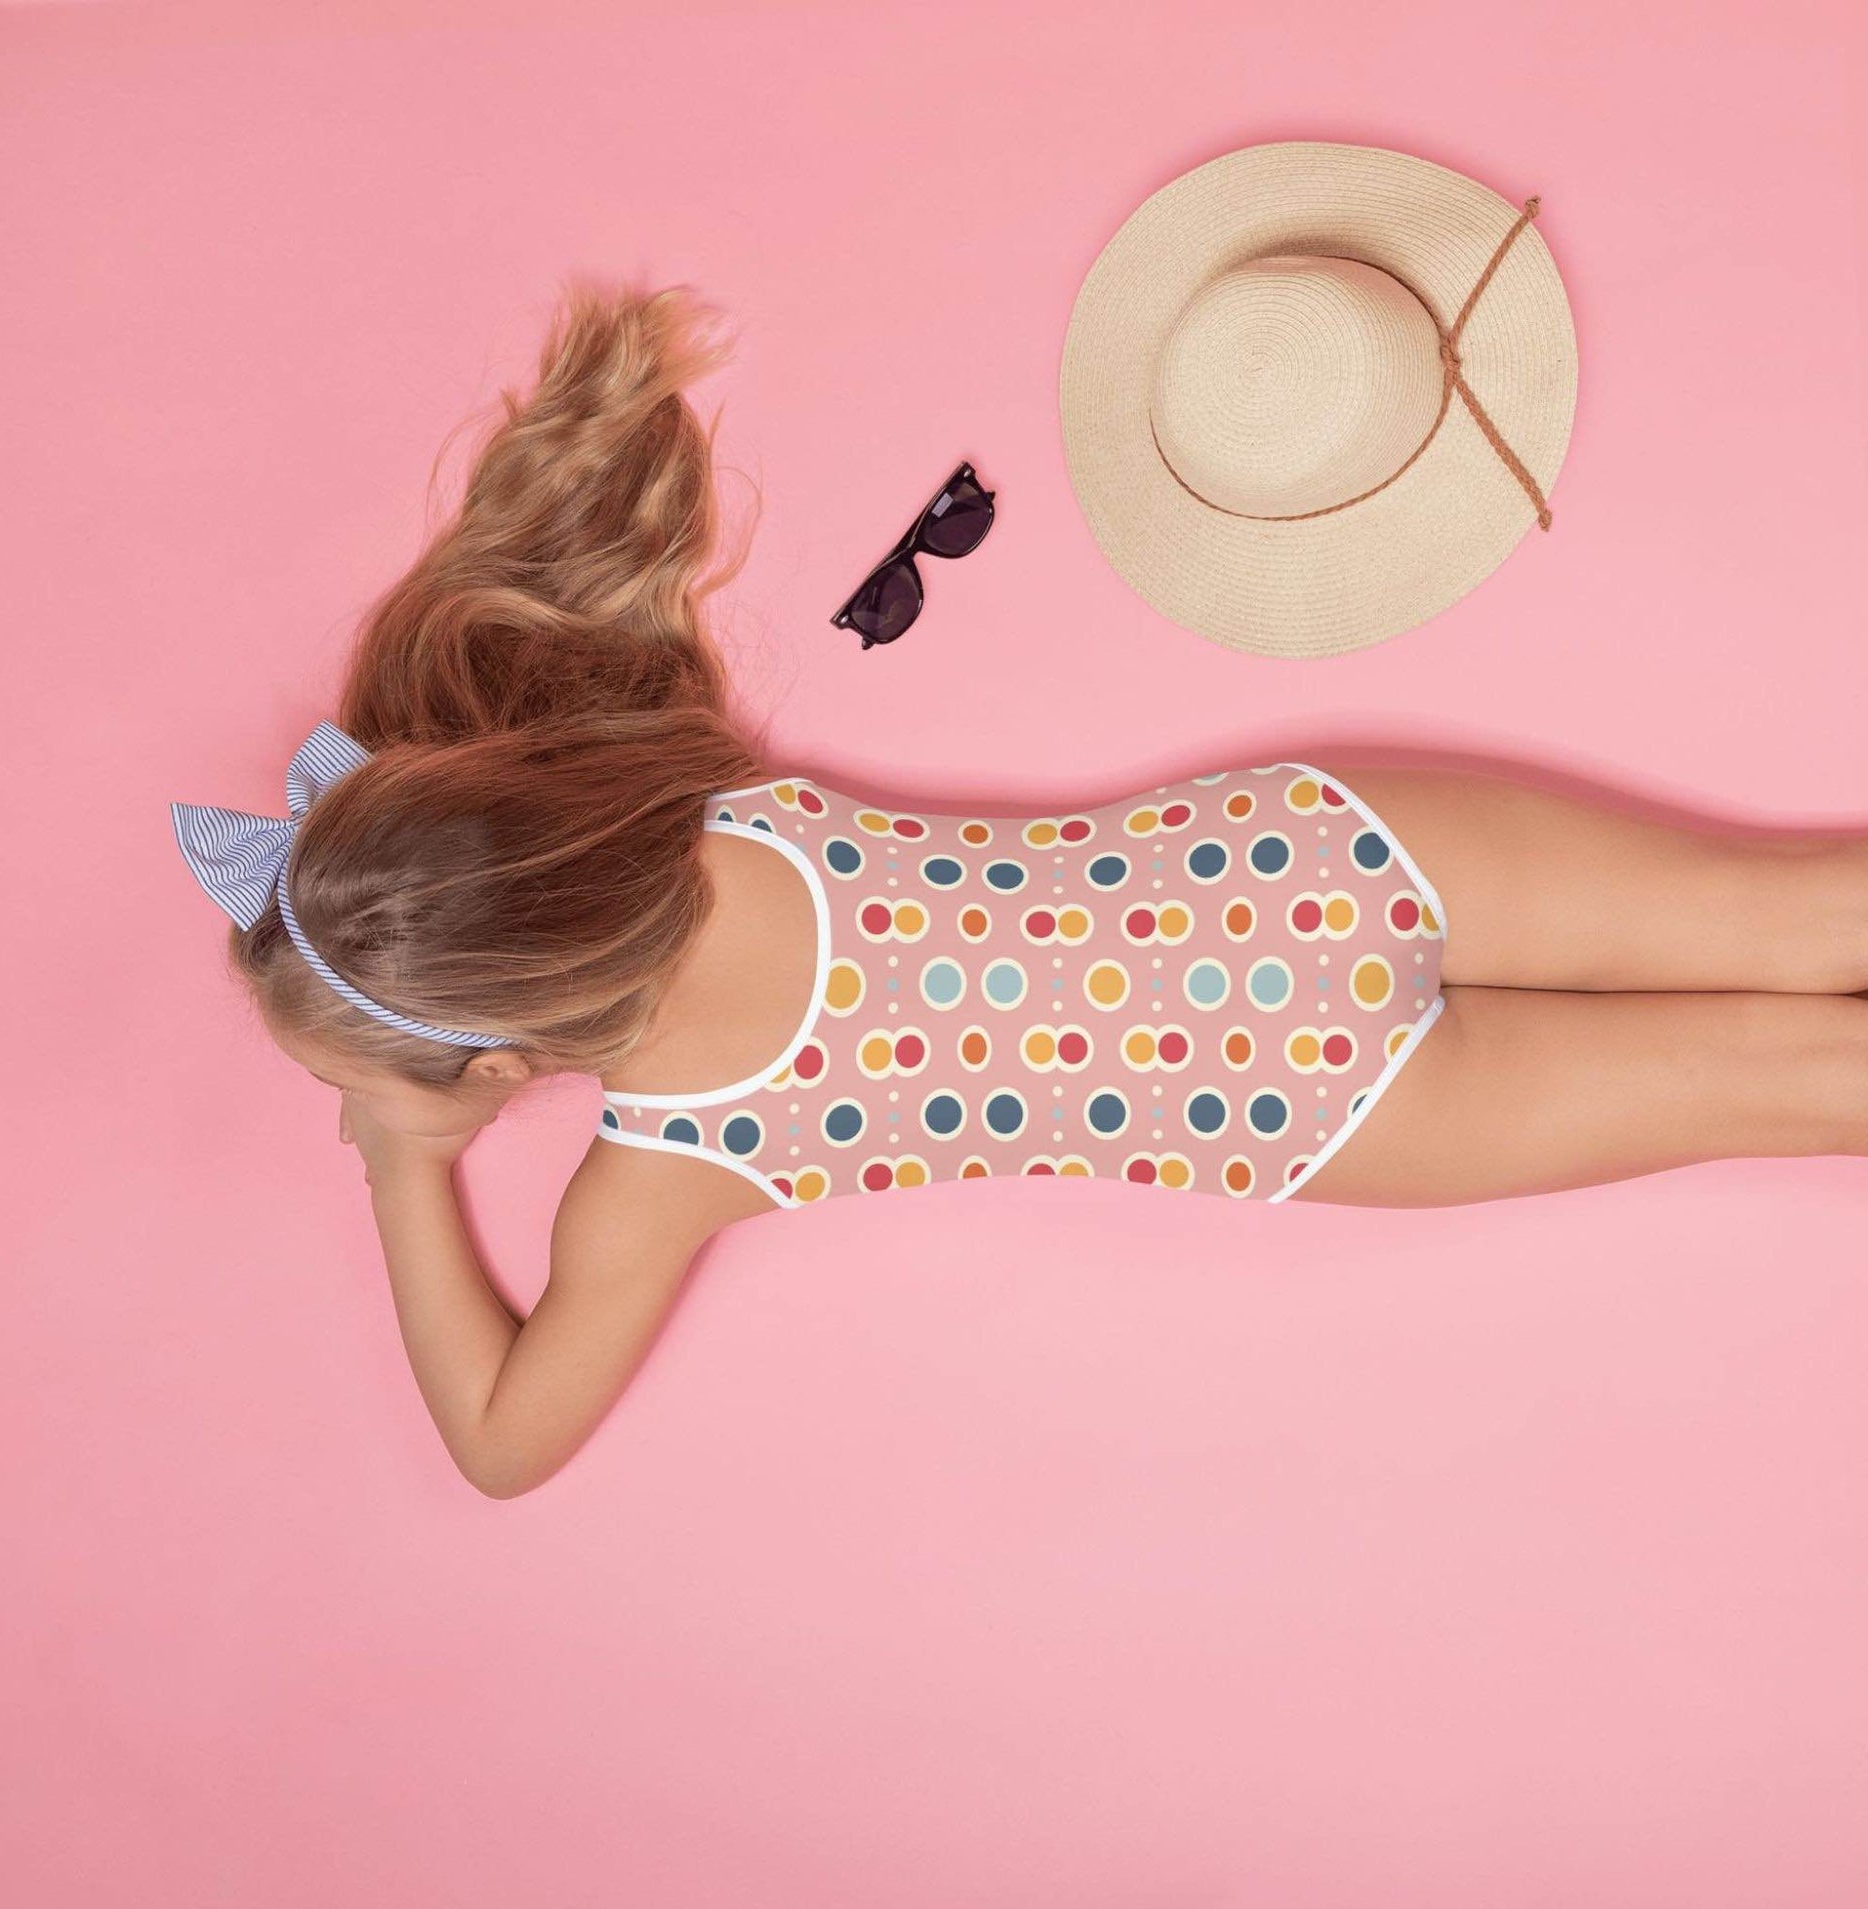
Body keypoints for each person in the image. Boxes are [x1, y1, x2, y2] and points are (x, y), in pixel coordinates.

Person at [173, 283, 1868, 1499]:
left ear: (495, 1061)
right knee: (1801, 913)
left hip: (1293, 1106)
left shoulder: (662, 1176)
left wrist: (401, 1159)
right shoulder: (679, 800)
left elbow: (498, 1445)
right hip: (1304, 862)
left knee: (1790, 1084)